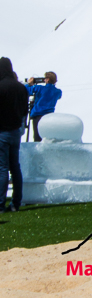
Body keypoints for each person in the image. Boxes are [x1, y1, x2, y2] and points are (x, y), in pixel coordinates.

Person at [0, 57, 28, 212]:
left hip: (2, 132)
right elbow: (25, 110)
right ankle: (16, 202)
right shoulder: (21, 88)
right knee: (15, 167)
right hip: (16, 132)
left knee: (2, 169)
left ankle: (0, 203)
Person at [24, 71, 61, 142]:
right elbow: (59, 96)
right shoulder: (58, 91)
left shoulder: (40, 88)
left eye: (45, 78)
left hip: (38, 115)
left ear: (48, 79)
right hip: (49, 116)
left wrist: (29, 84)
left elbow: (27, 90)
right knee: (47, 137)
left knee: (37, 137)